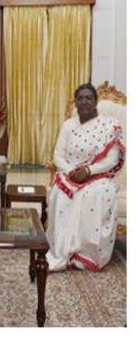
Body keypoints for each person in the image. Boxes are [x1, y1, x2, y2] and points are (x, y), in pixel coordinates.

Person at [46, 83, 125, 272]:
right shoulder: (68, 125)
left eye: (88, 98)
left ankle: (86, 253)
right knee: (62, 191)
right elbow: (58, 155)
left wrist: (88, 171)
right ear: (76, 102)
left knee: (96, 192)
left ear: (96, 101)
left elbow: (111, 159)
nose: (84, 102)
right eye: (80, 98)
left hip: (99, 175)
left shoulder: (108, 125)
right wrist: (72, 171)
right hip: (71, 173)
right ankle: (64, 249)